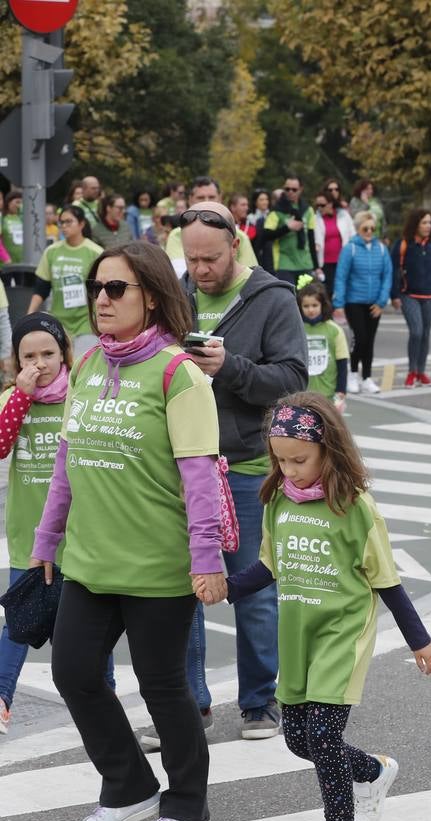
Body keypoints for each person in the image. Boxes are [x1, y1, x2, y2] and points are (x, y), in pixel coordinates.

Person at [36, 240, 223, 821]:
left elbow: (199, 475)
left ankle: (188, 807)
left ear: (150, 294)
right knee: (74, 673)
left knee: (163, 685)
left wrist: (206, 560)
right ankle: (126, 788)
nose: (101, 299)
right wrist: (47, 539)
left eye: (116, 289)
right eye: (96, 288)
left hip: (159, 563)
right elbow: (67, 460)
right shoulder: (87, 363)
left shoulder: (178, 374)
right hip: (90, 560)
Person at [215, 392, 431, 821]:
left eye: (300, 459)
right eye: (281, 460)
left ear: (328, 450)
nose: (290, 469)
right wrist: (225, 589)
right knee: (300, 740)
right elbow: (267, 567)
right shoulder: (277, 500)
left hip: (342, 634)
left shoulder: (357, 508)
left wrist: (418, 639)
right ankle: (373, 772)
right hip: (297, 636)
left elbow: (387, 582)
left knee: (322, 732)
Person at [169, 200, 308, 747]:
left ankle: (258, 701)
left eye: (210, 258)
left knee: (252, 588)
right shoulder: (174, 295)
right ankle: (188, 704)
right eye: (191, 258)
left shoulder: (271, 299)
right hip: (185, 463)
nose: (200, 270)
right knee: (185, 588)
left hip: (247, 465)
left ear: (236, 243)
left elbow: (294, 378)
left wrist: (230, 368)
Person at [0, 314, 115, 734]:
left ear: (65, 354)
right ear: (15, 361)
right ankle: (2, 697)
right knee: (18, 622)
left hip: (80, 538)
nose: (40, 363)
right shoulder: (14, 398)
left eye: (48, 353)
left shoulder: (81, 394)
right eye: (28, 356)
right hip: (29, 539)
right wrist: (22, 397)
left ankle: (107, 697)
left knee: (88, 630)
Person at [333, 211, 393, 396]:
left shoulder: (381, 249)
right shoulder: (349, 249)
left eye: (372, 229)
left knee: (370, 341)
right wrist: (339, 303)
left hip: (374, 303)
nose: (369, 232)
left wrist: (382, 302)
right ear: (358, 229)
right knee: (360, 338)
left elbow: (387, 276)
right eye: (365, 228)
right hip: (354, 302)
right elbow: (341, 277)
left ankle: (366, 377)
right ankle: (352, 374)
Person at [29, 205, 102, 354]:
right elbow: (42, 287)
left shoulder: (95, 252)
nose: (64, 226)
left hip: (86, 322)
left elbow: (102, 289)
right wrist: (30, 314)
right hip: (58, 322)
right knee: (63, 369)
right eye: (61, 222)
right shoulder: (52, 251)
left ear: (81, 224)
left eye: (69, 222)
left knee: (82, 367)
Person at [393, 208, 431, 388]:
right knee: (416, 331)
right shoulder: (403, 244)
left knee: (425, 334)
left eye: (430, 222)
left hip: (430, 295)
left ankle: (421, 372)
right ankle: (411, 371)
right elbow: (393, 271)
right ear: (415, 224)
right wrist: (394, 295)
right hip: (409, 295)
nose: (427, 226)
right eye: (424, 222)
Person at [163, 177, 260, 277]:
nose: (206, 202)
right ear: (190, 200)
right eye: (200, 198)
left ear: (220, 199)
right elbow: (180, 275)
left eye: (212, 197)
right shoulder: (177, 235)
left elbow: (251, 277)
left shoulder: (240, 236)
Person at [297, 277, 349, 410]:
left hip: (328, 395)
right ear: (299, 307)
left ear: (322, 305)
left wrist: (341, 391)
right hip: (302, 395)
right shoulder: (296, 328)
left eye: (315, 305)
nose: (311, 310)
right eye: (306, 306)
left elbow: (342, 362)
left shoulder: (334, 330)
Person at [260, 175, 320, 286]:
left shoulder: (308, 210)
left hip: (305, 264)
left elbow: (311, 240)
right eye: (287, 189)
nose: (290, 192)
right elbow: (265, 236)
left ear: (301, 189)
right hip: (284, 264)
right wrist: (287, 228)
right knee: (289, 301)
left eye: (294, 189)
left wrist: (316, 267)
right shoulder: (276, 211)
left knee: (307, 299)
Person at [313, 190, 355, 289]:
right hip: (324, 263)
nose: (319, 208)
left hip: (343, 260)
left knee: (343, 288)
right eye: (317, 205)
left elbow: (352, 235)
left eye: (322, 205)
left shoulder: (344, 216)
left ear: (330, 204)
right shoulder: (315, 218)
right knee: (328, 290)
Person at [2, 191, 24, 262]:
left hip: (23, 262)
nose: (19, 205)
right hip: (6, 264)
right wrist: (6, 258)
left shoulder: (23, 219)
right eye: (17, 202)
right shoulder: (2, 218)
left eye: (22, 203)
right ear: (8, 202)